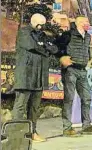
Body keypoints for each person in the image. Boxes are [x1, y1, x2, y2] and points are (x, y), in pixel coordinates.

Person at [12, 13, 58, 142]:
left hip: (39, 76)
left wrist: (44, 46)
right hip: (25, 75)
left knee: (34, 107)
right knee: (20, 105)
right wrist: (45, 47)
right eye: (39, 24)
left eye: (43, 25)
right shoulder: (24, 32)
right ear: (33, 21)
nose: (41, 27)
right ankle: (16, 133)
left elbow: (54, 48)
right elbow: (31, 46)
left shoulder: (42, 35)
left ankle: (32, 132)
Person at [56, 16, 92, 137]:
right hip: (70, 69)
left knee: (86, 98)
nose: (88, 23)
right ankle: (67, 127)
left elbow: (87, 50)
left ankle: (86, 125)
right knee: (69, 98)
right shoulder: (68, 35)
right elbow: (57, 47)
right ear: (79, 23)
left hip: (83, 70)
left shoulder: (88, 36)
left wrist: (91, 58)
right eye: (86, 21)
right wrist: (61, 57)